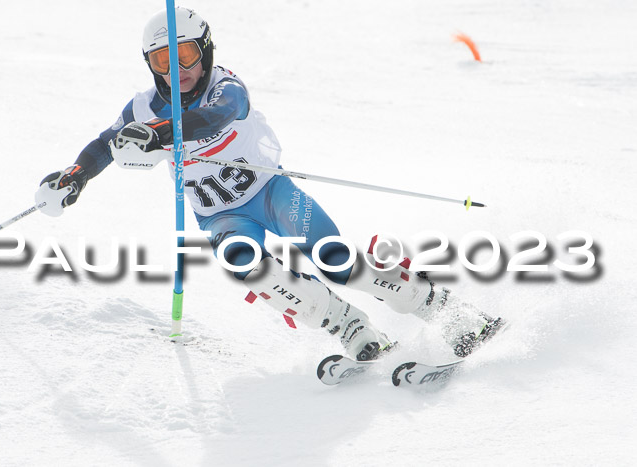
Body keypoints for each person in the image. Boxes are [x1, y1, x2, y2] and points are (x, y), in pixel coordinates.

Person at [38, 7, 505, 362]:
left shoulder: (226, 86)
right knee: (245, 264)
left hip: (270, 194)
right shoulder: (141, 107)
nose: (175, 68)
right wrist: (75, 177)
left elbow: (214, 117)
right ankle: (351, 329)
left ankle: (447, 311)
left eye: (185, 54)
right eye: (163, 58)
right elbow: (105, 144)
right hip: (221, 215)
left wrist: (159, 134)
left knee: (335, 261)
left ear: (205, 51)